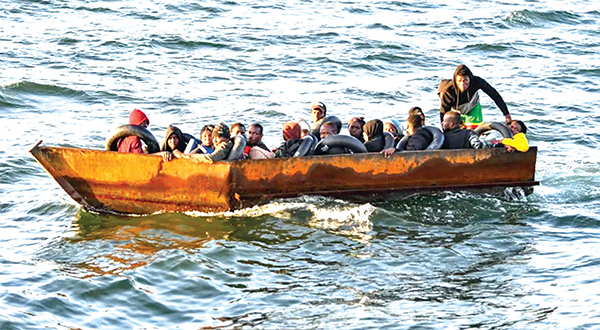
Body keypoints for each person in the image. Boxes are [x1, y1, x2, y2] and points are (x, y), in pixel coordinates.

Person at [438, 64, 511, 129]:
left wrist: (506, 114)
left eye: (465, 80)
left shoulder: (476, 82)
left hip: (472, 105)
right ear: (455, 80)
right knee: (452, 128)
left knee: (474, 131)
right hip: (455, 108)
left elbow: (494, 94)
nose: (462, 84)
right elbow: (443, 114)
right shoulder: (448, 91)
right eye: (459, 81)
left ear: (470, 79)